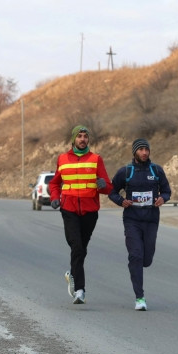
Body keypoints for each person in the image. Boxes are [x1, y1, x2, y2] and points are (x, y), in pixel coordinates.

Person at [48, 125, 112, 304]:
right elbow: (54, 183)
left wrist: (103, 185)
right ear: (73, 139)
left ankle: (72, 276)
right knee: (76, 246)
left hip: (90, 212)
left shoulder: (96, 159)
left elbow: (108, 186)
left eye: (85, 136)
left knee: (81, 250)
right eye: (79, 136)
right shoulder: (62, 159)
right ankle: (80, 290)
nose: (83, 139)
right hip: (68, 210)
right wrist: (55, 197)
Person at [108, 138, 172, 311]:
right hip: (132, 220)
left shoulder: (156, 170)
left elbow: (167, 191)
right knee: (136, 255)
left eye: (147, 149)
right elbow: (111, 191)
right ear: (135, 152)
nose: (144, 152)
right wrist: (121, 201)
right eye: (141, 149)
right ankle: (140, 297)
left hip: (151, 220)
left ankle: (138, 263)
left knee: (146, 259)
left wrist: (162, 198)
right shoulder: (126, 171)